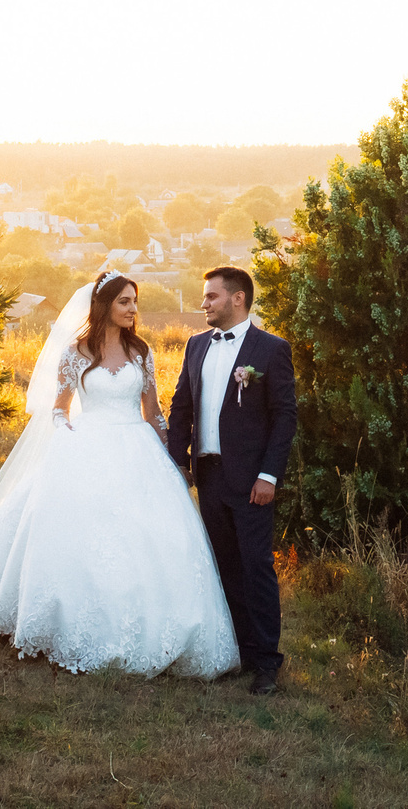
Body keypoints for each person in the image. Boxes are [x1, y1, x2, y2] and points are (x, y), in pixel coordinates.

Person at [0, 270, 239, 677]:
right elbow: (58, 406)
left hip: (136, 451)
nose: (132, 309)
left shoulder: (141, 351)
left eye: (134, 301)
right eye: (124, 302)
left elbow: (153, 411)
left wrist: (172, 453)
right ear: (104, 306)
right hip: (87, 446)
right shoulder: (76, 352)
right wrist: (65, 431)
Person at [166, 266, 298, 695]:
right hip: (209, 476)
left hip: (252, 480)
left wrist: (268, 475)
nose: (204, 304)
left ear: (238, 298)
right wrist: (178, 462)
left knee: (257, 566)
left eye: (211, 297)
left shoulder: (271, 349)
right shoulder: (196, 345)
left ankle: (267, 663)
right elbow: (181, 404)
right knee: (224, 565)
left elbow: (284, 417)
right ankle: (238, 650)